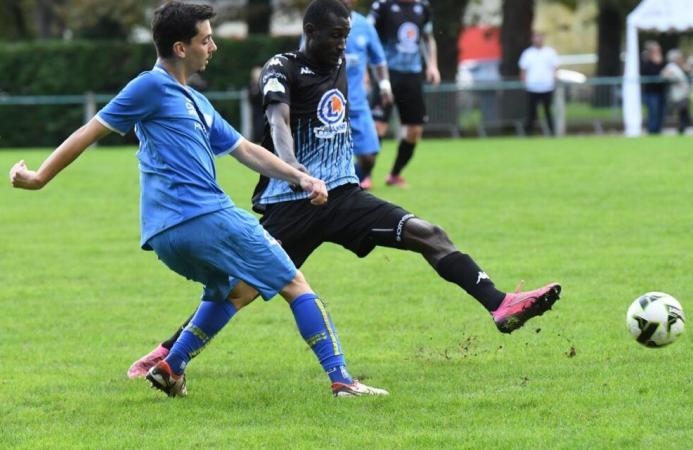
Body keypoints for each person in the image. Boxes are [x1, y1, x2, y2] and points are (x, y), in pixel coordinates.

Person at [127, 0, 562, 380]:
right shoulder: (283, 67)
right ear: (309, 31)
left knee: (428, 233)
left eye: (347, 35)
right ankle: (167, 354)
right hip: (294, 204)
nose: (342, 43)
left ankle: (500, 304)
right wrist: (293, 166)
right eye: (335, 35)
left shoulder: (341, 63)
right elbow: (276, 120)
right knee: (237, 292)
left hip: (344, 197)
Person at [9, 0, 388, 399]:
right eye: (206, 40)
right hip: (203, 216)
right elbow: (89, 131)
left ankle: (171, 367)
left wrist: (301, 177)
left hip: (167, 236)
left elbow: (245, 149)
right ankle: (342, 379)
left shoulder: (198, 102)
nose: (213, 48)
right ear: (180, 48)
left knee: (231, 290)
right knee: (295, 282)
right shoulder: (150, 85)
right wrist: (39, 178)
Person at [368, 0, 440, 187]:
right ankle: (365, 173)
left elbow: (428, 37)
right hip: (387, 74)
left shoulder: (422, 7)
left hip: (413, 75)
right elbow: (368, 37)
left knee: (415, 130)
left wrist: (432, 65)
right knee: (378, 127)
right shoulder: (382, 7)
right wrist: (366, 70)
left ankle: (395, 174)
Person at [344, 0, 393, 190]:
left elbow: (379, 60)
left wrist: (385, 86)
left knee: (368, 158)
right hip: (327, 106)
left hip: (357, 104)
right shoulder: (322, 22)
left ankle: (343, 187)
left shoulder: (365, 26)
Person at [518, 32, 559, 136]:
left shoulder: (550, 52)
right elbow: (523, 70)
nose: (538, 40)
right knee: (531, 112)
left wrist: (554, 80)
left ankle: (552, 132)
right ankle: (529, 133)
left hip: (547, 87)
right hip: (532, 87)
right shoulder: (527, 53)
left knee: (548, 111)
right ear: (532, 39)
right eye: (536, 38)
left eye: (540, 37)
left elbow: (555, 68)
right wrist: (524, 83)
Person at [662, 49, 691, 135]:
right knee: (682, 113)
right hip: (678, 94)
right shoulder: (671, 66)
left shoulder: (679, 66)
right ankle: (681, 130)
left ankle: (682, 129)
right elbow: (666, 76)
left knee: (684, 113)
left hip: (684, 93)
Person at [640, 40, 666, 135]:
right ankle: (652, 130)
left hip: (660, 91)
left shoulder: (661, 62)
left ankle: (658, 130)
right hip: (651, 92)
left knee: (660, 112)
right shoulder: (647, 63)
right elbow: (650, 74)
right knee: (653, 112)